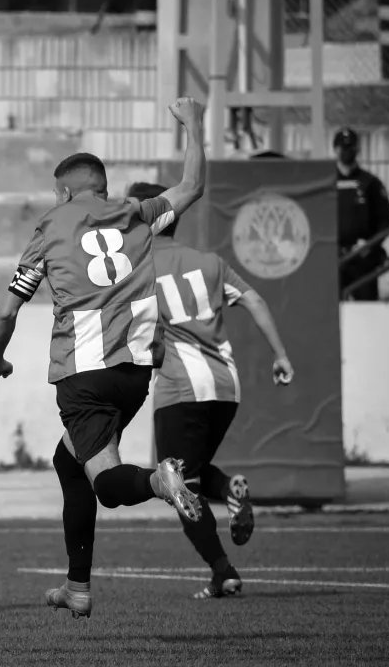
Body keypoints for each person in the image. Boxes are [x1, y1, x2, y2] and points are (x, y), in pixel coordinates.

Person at [0, 97, 208, 619]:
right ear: (103, 188)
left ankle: (159, 481)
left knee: (106, 482)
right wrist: (193, 123)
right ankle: (76, 587)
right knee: (68, 463)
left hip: (82, 373)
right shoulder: (137, 213)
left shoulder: (50, 227)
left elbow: (7, 312)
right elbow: (192, 186)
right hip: (135, 371)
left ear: (62, 192)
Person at [130, 181, 294, 600]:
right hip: (226, 386)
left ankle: (223, 566)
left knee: (177, 485)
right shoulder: (209, 261)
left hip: (180, 388)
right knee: (192, 477)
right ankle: (223, 551)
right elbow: (255, 300)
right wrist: (280, 355)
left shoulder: (137, 268)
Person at [333, 128, 389, 301]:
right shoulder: (326, 182)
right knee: (331, 313)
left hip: (362, 260)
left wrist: (370, 244)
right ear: (335, 149)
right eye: (342, 148)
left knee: (367, 313)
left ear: (357, 149)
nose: (346, 152)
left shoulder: (370, 183)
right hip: (333, 260)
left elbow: (386, 220)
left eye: (350, 147)